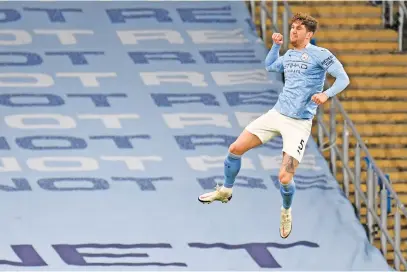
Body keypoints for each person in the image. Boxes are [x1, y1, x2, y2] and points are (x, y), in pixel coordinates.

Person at [197, 12, 350, 239]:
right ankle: (226, 191)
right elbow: (270, 66)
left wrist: (326, 94)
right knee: (235, 149)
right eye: (292, 27)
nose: (293, 31)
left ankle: (286, 210)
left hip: (298, 124)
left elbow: (344, 79)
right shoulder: (288, 55)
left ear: (309, 34)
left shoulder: (321, 55)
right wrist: (275, 47)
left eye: (298, 28)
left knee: (285, 178)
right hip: (277, 114)